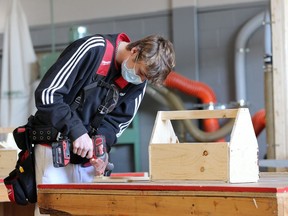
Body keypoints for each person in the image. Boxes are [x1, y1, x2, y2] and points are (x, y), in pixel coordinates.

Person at [31, 32, 175, 215]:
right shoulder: (94, 49)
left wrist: (102, 150)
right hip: (54, 151)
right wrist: (77, 131)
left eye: (145, 79)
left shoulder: (139, 82)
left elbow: (116, 123)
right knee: (52, 210)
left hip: (86, 161)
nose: (139, 80)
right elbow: (47, 94)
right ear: (135, 51)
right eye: (140, 72)